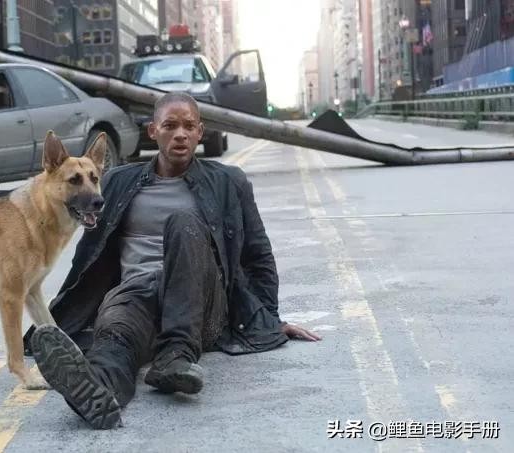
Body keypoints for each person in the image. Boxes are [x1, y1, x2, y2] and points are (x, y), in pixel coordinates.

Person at [29, 92, 321, 430]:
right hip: (136, 295)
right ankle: (98, 391)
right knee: (115, 340)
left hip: (201, 307)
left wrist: (267, 318)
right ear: (153, 131)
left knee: (182, 222)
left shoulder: (228, 182)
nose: (180, 134)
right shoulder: (117, 182)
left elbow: (258, 256)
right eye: (170, 126)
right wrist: (69, 314)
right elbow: (88, 257)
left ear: (200, 132)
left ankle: (176, 355)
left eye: (188, 126)